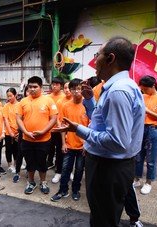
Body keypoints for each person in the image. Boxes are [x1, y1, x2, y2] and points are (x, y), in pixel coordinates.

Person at [59, 37, 145, 226]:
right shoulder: (118, 87)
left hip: (108, 166)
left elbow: (117, 141)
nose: (94, 59)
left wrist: (79, 130)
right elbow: (103, 122)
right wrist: (89, 101)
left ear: (110, 59)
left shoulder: (118, 92)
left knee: (103, 220)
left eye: (97, 55)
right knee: (102, 215)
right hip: (109, 164)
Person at [16, 76, 58, 194]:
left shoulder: (48, 100)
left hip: (44, 140)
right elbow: (18, 118)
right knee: (30, 162)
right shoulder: (23, 101)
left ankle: (43, 182)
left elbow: (54, 118)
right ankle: (31, 182)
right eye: (30, 87)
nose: (32, 89)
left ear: (41, 87)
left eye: (35, 87)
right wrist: (25, 132)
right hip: (26, 139)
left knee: (42, 162)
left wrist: (43, 131)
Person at [51, 78, 89, 202]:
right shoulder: (66, 106)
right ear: (70, 90)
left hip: (82, 146)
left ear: (82, 90)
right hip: (69, 145)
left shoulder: (87, 105)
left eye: (79, 88)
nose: (77, 91)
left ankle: (76, 190)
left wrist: (87, 144)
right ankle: (63, 190)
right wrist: (63, 143)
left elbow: (92, 127)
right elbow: (63, 126)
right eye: (74, 89)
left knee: (79, 170)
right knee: (65, 169)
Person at [134, 76, 157, 195]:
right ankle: (137, 179)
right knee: (138, 156)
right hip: (140, 128)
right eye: (142, 89)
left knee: (151, 159)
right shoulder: (142, 96)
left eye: (145, 89)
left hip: (154, 129)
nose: (143, 91)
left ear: (153, 86)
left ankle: (148, 182)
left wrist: (148, 111)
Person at [47, 77, 65, 184]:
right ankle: (48, 164)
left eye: (57, 84)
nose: (54, 86)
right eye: (53, 84)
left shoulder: (64, 97)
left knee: (60, 151)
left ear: (61, 86)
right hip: (49, 129)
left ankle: (59, 170)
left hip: (60, 130)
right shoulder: (48, 97)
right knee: (48, 150)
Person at [3, 88, 19, 173]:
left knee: (17, 149)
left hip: (18, 132)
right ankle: (10, 165)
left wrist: (19, 132)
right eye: (8, 96)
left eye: (11, 96)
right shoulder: (6, 106)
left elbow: (22, 119)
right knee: (8, 149)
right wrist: (10, 132)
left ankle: (16, 164)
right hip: (9, 132)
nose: (9, 98)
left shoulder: (20, 105)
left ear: (15, 95)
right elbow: (6, 120)